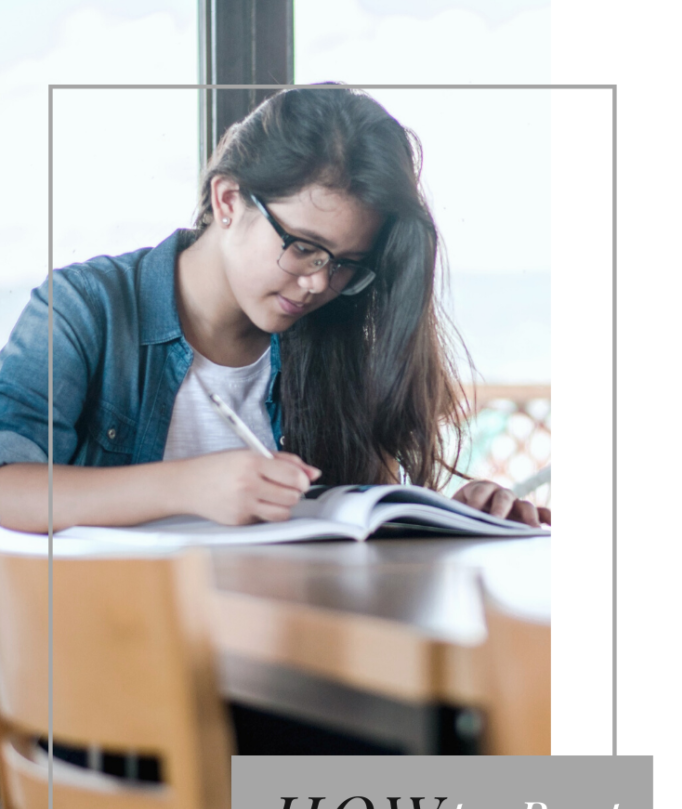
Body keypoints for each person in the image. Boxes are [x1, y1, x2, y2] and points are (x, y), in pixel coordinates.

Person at [0, 86, 549, 533]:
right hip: (119, 637)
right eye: (304, 246)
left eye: (345, 264)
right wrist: (189, 486)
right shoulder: (85, 308)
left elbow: (365, 517)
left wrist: (456, 514)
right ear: (228, 201)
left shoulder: (333, 336)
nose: (318, 282)